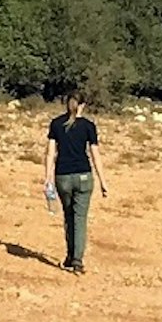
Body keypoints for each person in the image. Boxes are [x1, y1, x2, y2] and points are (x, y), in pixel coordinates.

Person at [46, 91, 104, 273]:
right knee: (80, 218)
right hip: (84, 176)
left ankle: (70, 255)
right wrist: (103, 180)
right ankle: (77, 258)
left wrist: (47, 178)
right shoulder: (88, 126)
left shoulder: (56, 124)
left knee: (68, 216)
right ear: (82, 105)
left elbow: (50, 153)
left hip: (62, 176)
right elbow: (95, 154)